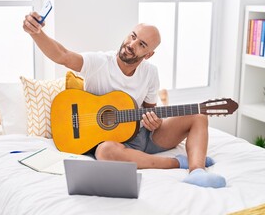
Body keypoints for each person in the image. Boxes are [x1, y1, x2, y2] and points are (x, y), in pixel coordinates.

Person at [23, 12, 226, 188]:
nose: (131, 45)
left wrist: (153, 122)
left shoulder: (150, 73)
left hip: (142, 135)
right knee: (105, 152)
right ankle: (177, 162)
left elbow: (150, 112)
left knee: (199, 115)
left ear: (148, 54)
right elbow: (63, 55)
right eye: (133, 36)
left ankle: (197, 170)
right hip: (111, 142)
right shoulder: (99, 63)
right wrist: (36, 32)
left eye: (141, 45)